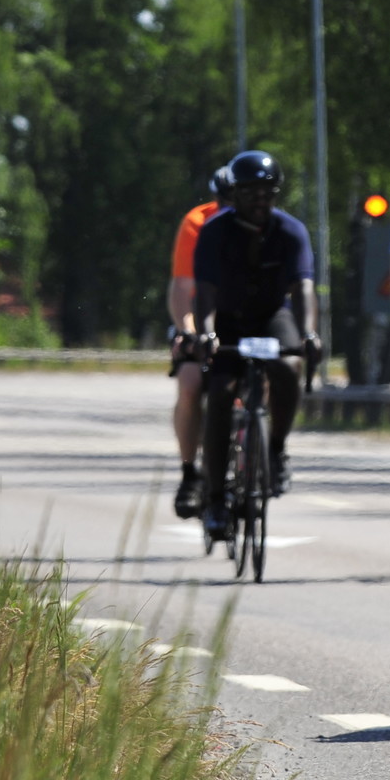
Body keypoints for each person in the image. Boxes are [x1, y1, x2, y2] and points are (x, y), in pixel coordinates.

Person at [193, 151, 319, 538]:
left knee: (288, 366)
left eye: (267, 193)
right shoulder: (214, 231)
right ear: (235, 195)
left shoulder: (291, 231)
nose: (259, 201)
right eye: (250, 193)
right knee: (220, 394)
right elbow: (205, 293)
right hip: (228, 320)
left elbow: (303, 288)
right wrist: (206, 333)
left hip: (271, 316)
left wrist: (308, 333)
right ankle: (216, 499)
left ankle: (276, 449)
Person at [168, 164, 232, 518]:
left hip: (243, 318)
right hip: (200, 316)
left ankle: (262, 448)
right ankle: (189, 473)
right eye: (223, 200)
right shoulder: (198, 222)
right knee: (191, 383)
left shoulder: (266, 223)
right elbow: (182, 287)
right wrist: (189, 331)